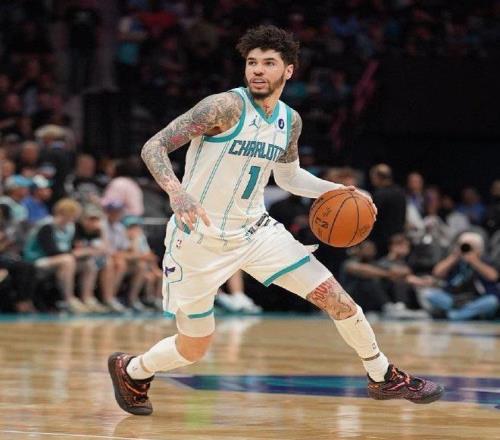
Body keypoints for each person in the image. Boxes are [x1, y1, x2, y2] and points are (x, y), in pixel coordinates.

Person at [108, 25, 443, 416]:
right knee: (193, 347)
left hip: (257, 233)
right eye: (252, 62)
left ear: (288, 70)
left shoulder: (289, 120)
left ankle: (382, 374)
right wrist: (176, 191)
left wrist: (340, 190)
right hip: (199, 240)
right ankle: (133, 369)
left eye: (269, 63)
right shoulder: (223, 107)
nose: (257, 70)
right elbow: (154, 146)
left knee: (338, 300)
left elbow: (288, 178)